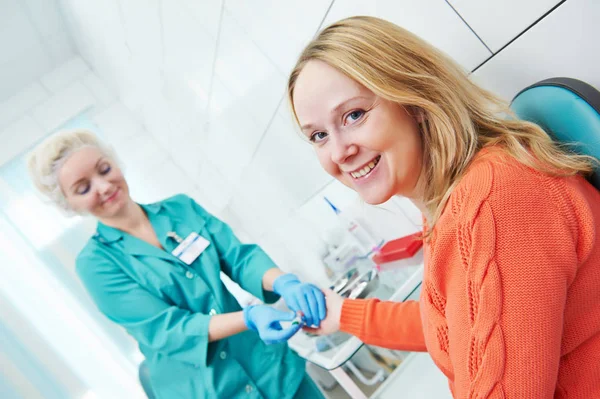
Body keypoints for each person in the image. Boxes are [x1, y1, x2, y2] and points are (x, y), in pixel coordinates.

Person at [287, 16, 600, 398]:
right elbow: (461, 325)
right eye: (319, 136)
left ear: (413, 98)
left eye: (354, 115)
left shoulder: (494, 201)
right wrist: (343, 315)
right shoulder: (447, 202)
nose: (339, 152)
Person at [27, 129, 326, 399]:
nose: (104, 186)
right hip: (207, 390)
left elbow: (239, 257)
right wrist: (249, 318)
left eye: (104, 169)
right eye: (83, 188)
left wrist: (284, 283)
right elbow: (166, 329)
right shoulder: (96, 265)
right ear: (68, 204)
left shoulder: (181, 209)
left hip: (270, 368)